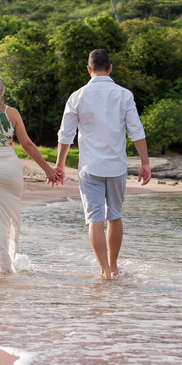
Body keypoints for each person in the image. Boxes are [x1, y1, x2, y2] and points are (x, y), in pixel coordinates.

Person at [54, 49, 151, 280]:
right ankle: (115, 266)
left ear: (89, 69)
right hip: (116, 166)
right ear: (110, 67)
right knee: (114, 216)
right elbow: (136, 131)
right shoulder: (124, 95)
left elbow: (65, 134)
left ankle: (104, 271)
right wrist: (145, 163)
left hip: (89, 167)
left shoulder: (77, 96)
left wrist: (59, 164)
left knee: (94, 218)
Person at [0, 73, 59, 274]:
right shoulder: (12, 113)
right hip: (9, 169)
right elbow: (26, 144)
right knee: (10, 220)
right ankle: (6, 268)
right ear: (0, 90)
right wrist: (48, 170)